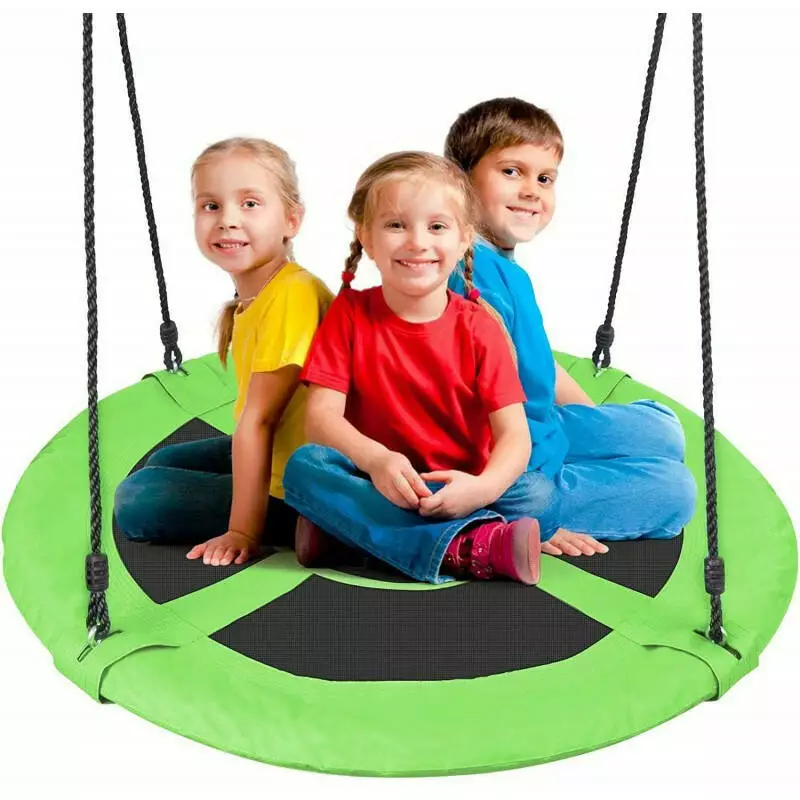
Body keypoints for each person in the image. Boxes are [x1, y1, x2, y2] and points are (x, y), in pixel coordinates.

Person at [283, 151, 555, 585]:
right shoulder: (349, 314)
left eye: (437, 227)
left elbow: (514, 437)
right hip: (378, 479)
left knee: (540, 497)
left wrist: (481, 489)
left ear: (464, 239)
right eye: (396, 225)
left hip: (463, 482)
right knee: (305, 466)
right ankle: (466, 545)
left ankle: (353, 535)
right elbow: (320, 419)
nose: (417, 242)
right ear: (366, 236)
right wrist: (376, 460)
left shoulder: (480, 327)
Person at [445, 98, 696, 556]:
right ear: (458, 181)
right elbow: (467, 413)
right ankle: (526, 507)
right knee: (676, 492)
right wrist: (537, 513)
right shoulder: (467, 280)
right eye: (512, 172)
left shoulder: (501, 268)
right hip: (510, 464)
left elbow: (537, 363)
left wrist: (596, 427)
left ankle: (572, 465)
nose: (531, 191)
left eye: (545, 178)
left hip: (544, 429)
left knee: (664, 429)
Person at [114, 137, 333, 567]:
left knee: (137, 499)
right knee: (164, 460)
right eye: (211, 205)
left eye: (250, 204)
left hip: (302, 483)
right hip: (282, 450)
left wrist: (242, 531)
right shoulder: (258, 296)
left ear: (291, 219)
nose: (227, 220)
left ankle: (299, 526)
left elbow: (259, 419)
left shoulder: (293, 295)